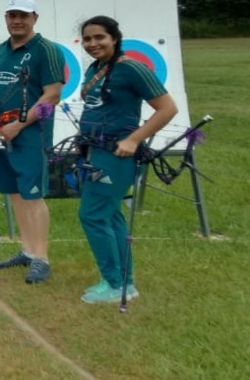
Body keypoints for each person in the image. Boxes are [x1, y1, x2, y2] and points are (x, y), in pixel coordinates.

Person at [76, 15, 176, 303]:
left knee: (92, 214)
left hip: (116, 154)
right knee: (110, 214)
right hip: (95, 150)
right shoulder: (96, 69)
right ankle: (124, 282)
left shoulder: (131, 68)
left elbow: (167, 108)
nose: (92, 44)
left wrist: (133, 140)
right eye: (87, 39)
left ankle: (113, 283)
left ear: (114, 38)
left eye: (99, 38)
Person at [0, 0, 64, 284]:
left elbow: (52, 95)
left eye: (23, 16)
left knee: (32, 195)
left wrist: (19, 124)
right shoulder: (0, 50)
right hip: (1, 134)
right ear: (6, 18)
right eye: (12, 15)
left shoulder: (46, 50)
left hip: (30, 135)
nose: (17, 21)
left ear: (34, 19)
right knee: (14, 193)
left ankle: (41, 258)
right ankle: (27, 251)